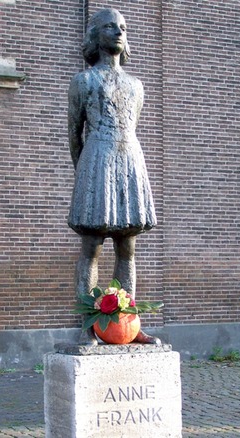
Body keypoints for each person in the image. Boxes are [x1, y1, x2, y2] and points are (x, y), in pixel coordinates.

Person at [68, 8, 159, 345]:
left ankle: (128, 324)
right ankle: (87, 325)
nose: (119, 32)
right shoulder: (84, 81)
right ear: (95, 35)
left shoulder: (136, 85)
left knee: (128, 247)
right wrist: (86, 174)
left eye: (123, 27)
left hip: (130, 160)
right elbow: (74, 135)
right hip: (97, 160)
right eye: (110, 26)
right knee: (91, 246)